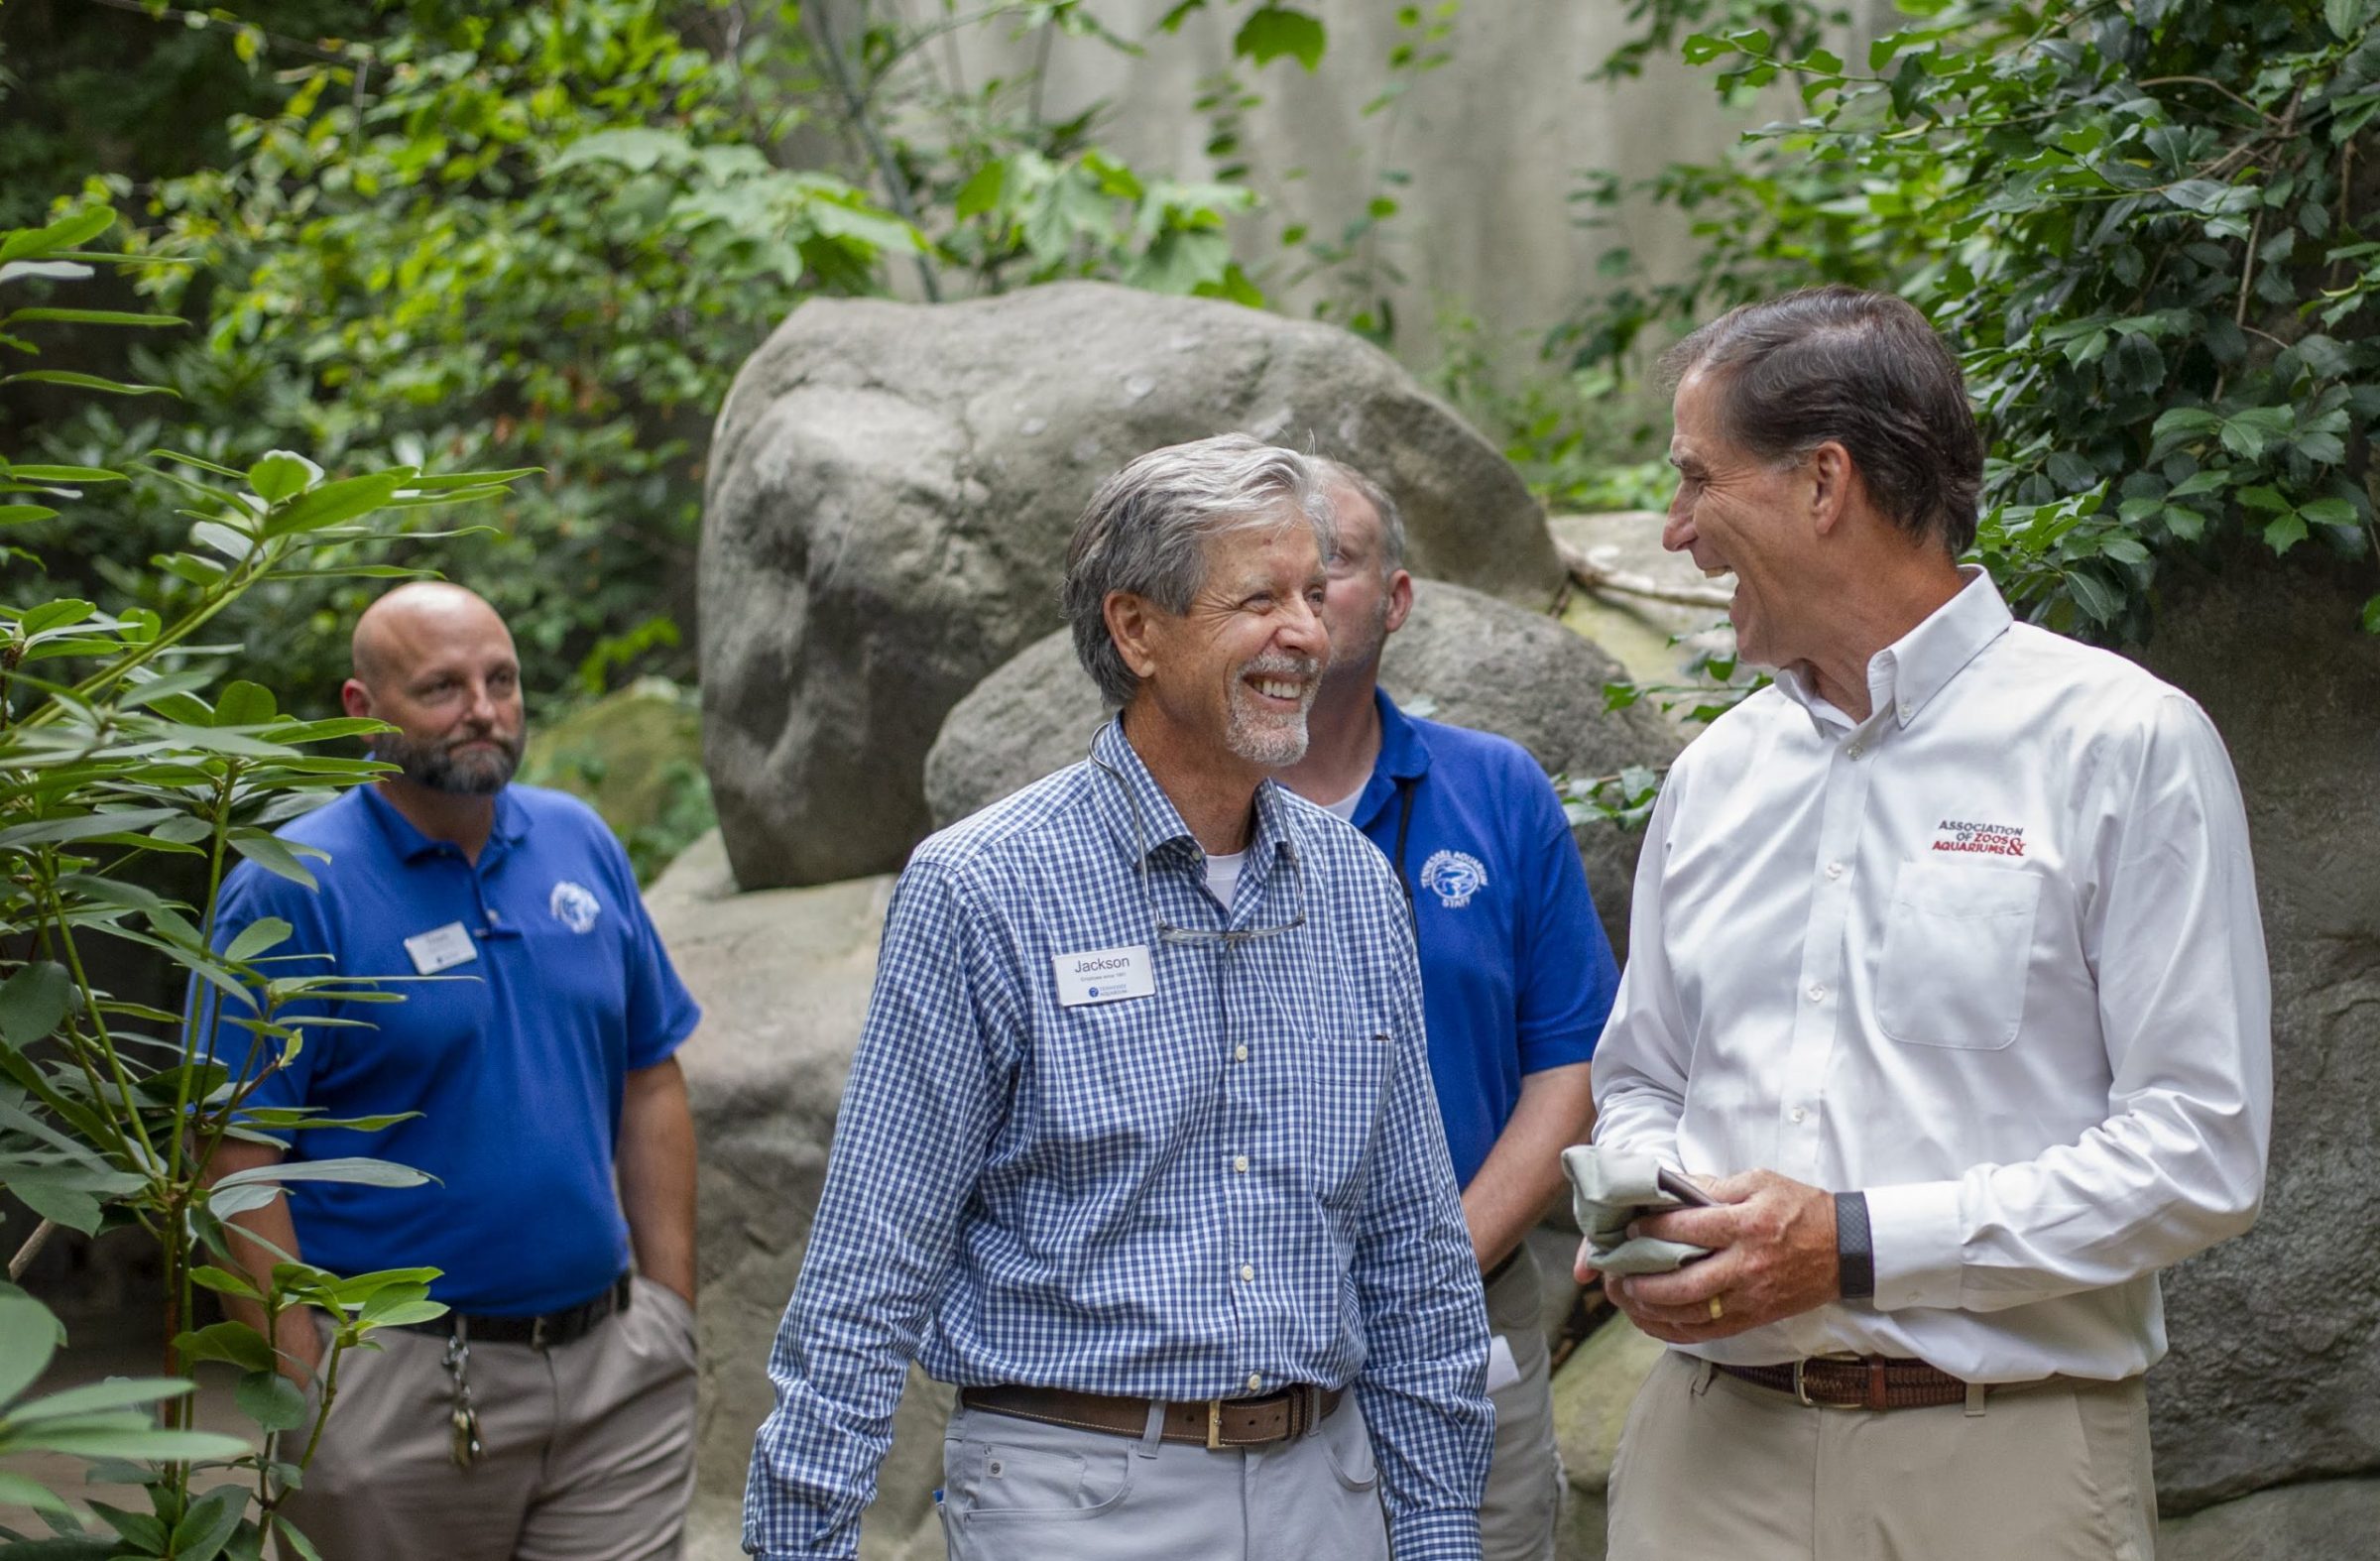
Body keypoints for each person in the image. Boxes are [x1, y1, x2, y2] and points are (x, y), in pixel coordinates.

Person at [1582, 285, 2272, 1560]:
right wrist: (1652, 1203)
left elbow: (2201, 1147)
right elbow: (1641, 1078)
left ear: (1823, 482)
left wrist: (1848, 1244)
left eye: (1695, 480)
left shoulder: (2121, 743)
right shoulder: (1716, 775)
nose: (1675, 531)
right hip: (1706, 1460)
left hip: (2002, 1463)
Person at [742, 434, 1493, 1561]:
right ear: (1137, 629)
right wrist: (800, 1539)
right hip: (1074, 1499)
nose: (1306, 631)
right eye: (1257, 598)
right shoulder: (985, 887)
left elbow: (1413, 1249)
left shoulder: (1355, 887)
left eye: (1310, 590)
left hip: (1328, 1490)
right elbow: (873, 1256)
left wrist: (1436, 1528)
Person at [199, 582, 703, 1561]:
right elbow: (232, 1155)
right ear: (362, 711)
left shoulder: (579, 842)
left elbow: (651, 1072)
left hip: (614, 1376)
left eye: (501, 678)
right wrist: (310, 1388)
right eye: (442, 686)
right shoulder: (291, 885)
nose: (483, 707)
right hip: (396, 1388)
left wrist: (670, 1307)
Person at [1275, 460, 1613, 1560]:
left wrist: (1437, 1255)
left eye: (1337, 559)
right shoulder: (1186, 806)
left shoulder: (1496, 790)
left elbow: (1571, 1064)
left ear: (1399, 599)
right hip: (1232, 1330)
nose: (1306, 586)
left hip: (1470, 1303)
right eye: (1274, 563)